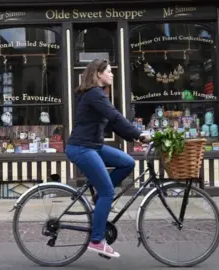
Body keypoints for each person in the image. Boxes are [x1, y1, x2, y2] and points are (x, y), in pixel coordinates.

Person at [65, 59, 151, 259]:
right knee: (107, 192)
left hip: (92, 146)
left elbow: (114, 125)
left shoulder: (96, 95)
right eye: (109, 71)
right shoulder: (95, 94)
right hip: (81, 148)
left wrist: (136, 137)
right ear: (98, 74)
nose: (112, 74)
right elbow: (115, 116)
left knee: (127, 162)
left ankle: (101, 197)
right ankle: (96, 241)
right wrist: (138, 134)